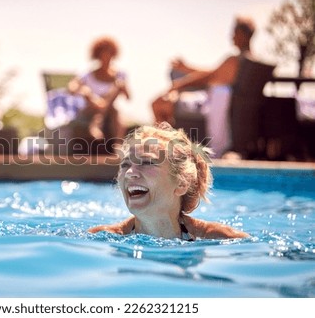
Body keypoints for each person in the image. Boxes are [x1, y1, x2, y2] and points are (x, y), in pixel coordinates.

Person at [88, 122, 250, 240]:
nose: (130, 173)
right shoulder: (101, 238)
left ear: (181, 183)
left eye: (147, 163)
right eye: (125, 165)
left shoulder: (222, 238)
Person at [151, 16, 256, 158]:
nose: (231, 36)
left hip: (211, 104)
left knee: (159, 104)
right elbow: (214, 73)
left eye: (234, 32)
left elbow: (210, 77)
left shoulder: (234, 60)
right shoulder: (250, 61)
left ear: (243, 35)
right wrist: (185, 68)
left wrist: (178, 85)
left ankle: (162, 152)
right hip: (228, 107)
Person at [66, 36, 131, 153]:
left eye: (110, 53)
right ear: (97, 54)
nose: (107, 56)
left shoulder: (119, 75)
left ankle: (99, 126)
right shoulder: (87, 74)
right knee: (96, 95)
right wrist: (85, 92)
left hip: (110, 110)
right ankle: (98, 121)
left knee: (115, 90)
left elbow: (128, 97)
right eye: (103, 52)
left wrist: (121, 86)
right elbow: (72, 87)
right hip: (90, 108)